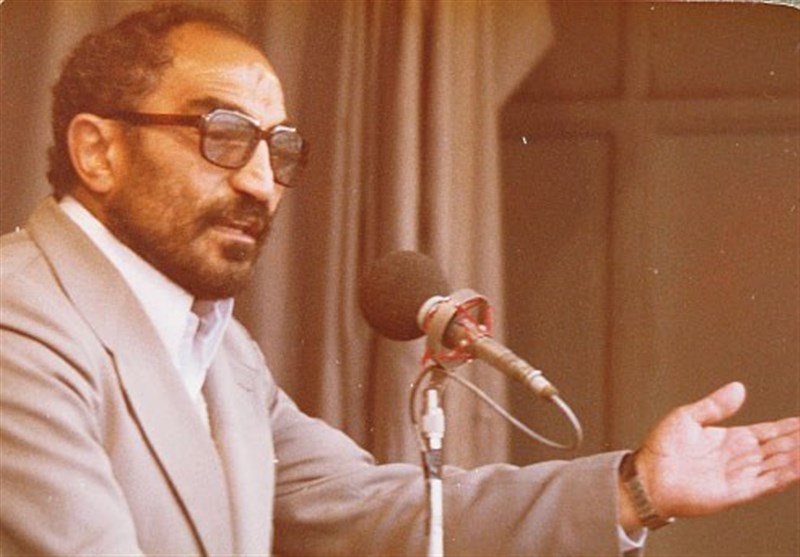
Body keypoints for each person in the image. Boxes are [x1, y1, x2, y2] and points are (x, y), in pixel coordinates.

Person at [1, 4, 797, 556]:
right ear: (98, 151)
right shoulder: (17, 324)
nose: (261, 183)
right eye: (223, 135)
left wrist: (634, 490)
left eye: (279, 150)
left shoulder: (220, 347)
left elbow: (371, 508)